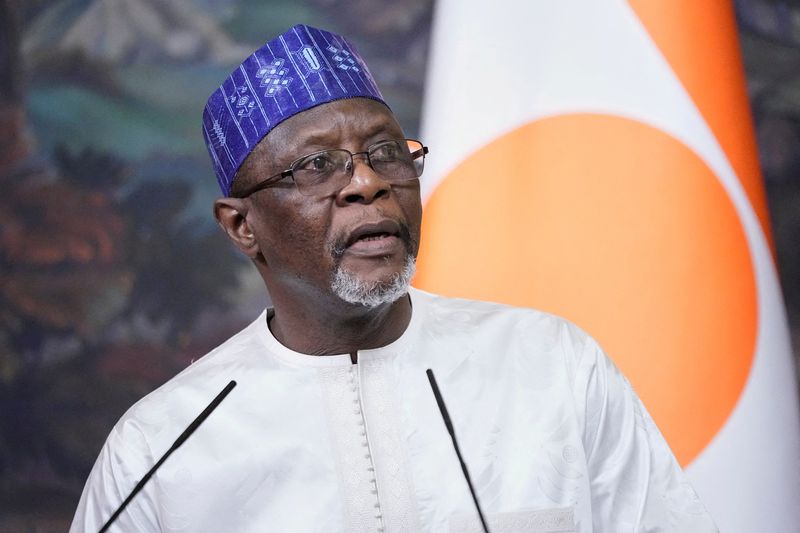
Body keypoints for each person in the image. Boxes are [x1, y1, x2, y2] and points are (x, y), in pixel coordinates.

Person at [71, 24, 718, 532]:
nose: (369, 182)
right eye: (318, 165)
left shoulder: (555, 367)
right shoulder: (159, 449)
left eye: (386, 154)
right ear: (243, 226)